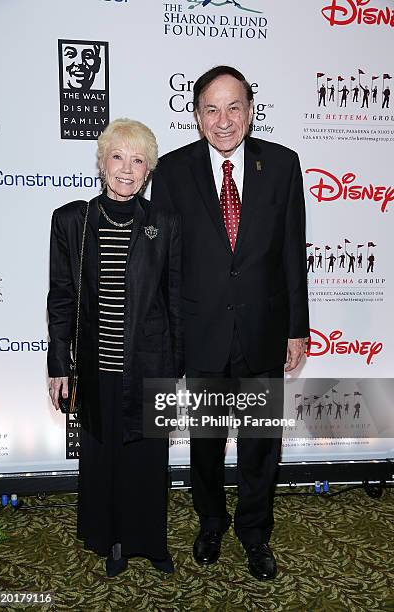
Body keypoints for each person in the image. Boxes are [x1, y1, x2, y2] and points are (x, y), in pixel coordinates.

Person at [151, 66, 309, 581]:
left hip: (264, 330)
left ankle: (256, 534)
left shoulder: (283, 166)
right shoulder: (172, 173)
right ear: (196, 116)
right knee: (206, 441)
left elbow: (292, 254)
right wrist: (170, 338)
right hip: (201, 334)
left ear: (250, 110)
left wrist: (297, 328)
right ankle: (211, 523)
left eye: (234, 107)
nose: (224, 121)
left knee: (261, 444)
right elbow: (165, 266)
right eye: (212, 109)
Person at [47, 118, 182, 577]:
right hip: (97, 366)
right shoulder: (72, 221)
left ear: (149, 171)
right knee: (107, 459)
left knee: (149, 460)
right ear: (101, 163)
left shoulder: (163, 223)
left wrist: (177, 370)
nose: (127, 168)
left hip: (150, 365)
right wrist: (58, 364)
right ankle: (115, 541)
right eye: (118, 157)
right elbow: (62, 295)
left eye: (138, 159)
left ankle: (152, 543)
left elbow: (175, 299)